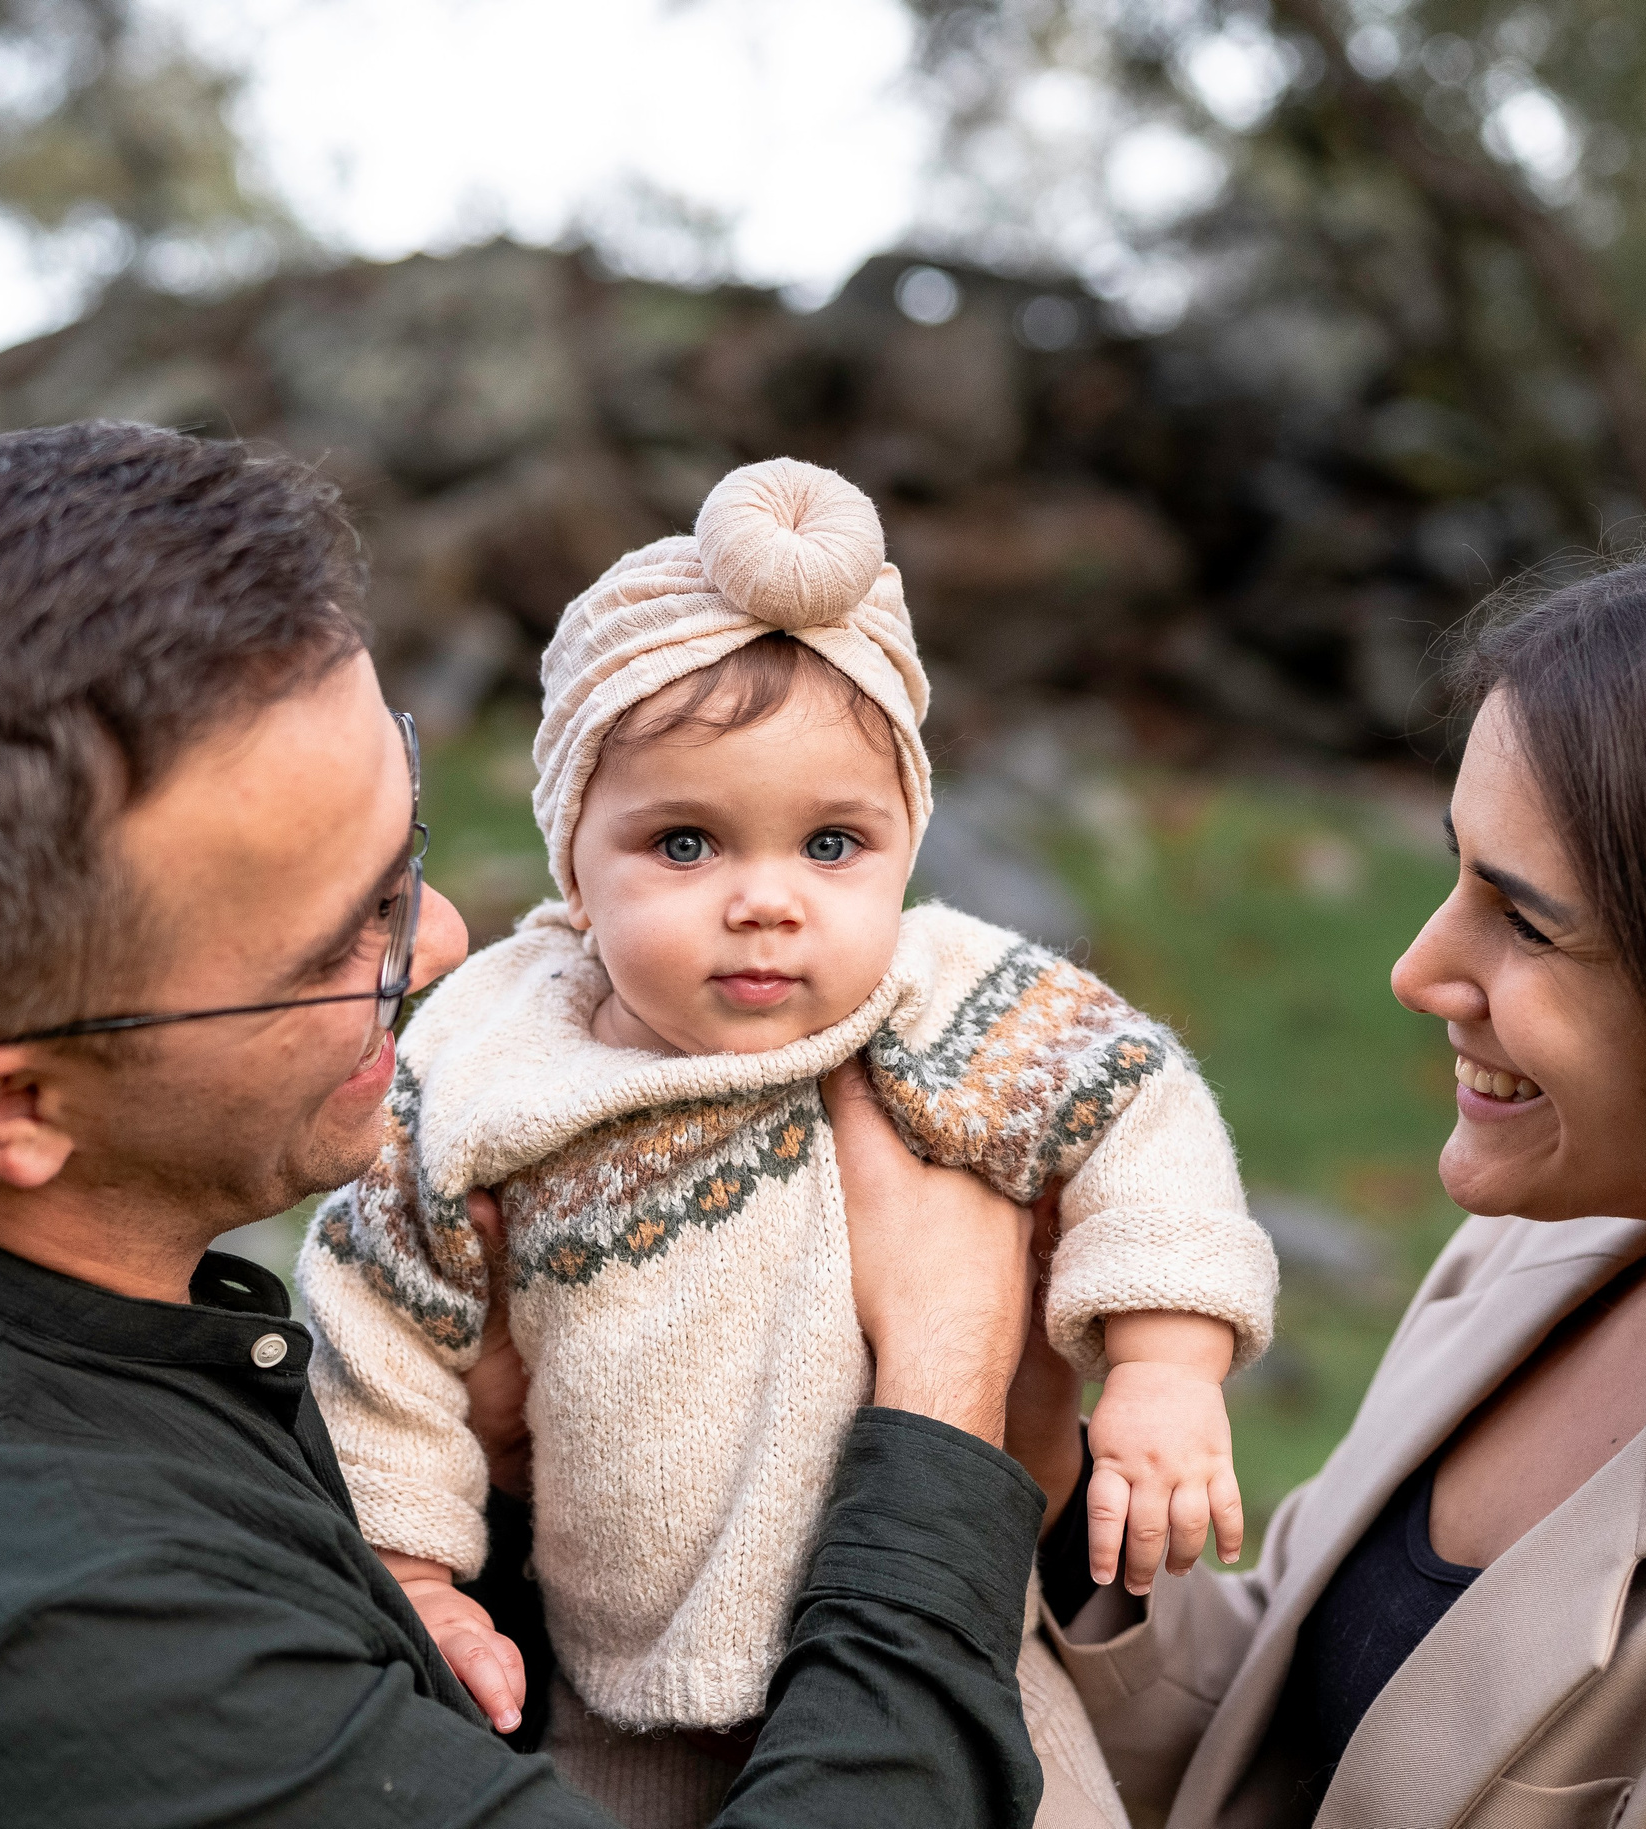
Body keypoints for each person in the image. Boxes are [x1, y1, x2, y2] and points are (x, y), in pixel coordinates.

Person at [0, 422, 1061, 1828]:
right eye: (335, 941)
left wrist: (497, 1491)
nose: (437, 942)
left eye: (405, 848)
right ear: (16, 1108)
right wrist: (939, 1389)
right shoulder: (80, 1664)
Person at [999, 531, 1646, 1827]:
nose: (1417, 969)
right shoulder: (1531, 1256)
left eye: (1527, 920)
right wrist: (1046, 1482)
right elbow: (1279, 1735)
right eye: (1454, 869)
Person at [297, 458, 1279, 1828]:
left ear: (905, 847)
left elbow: (1136, 1107)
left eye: (832, 843)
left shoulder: (939, 1000)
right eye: (686, 842)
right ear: (574, 863)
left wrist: (1168, 1362)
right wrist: (410, 1564)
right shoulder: (492, 1056)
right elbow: (378, 1305)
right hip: (608, 1687)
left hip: (955, 1651)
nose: (767, 902)